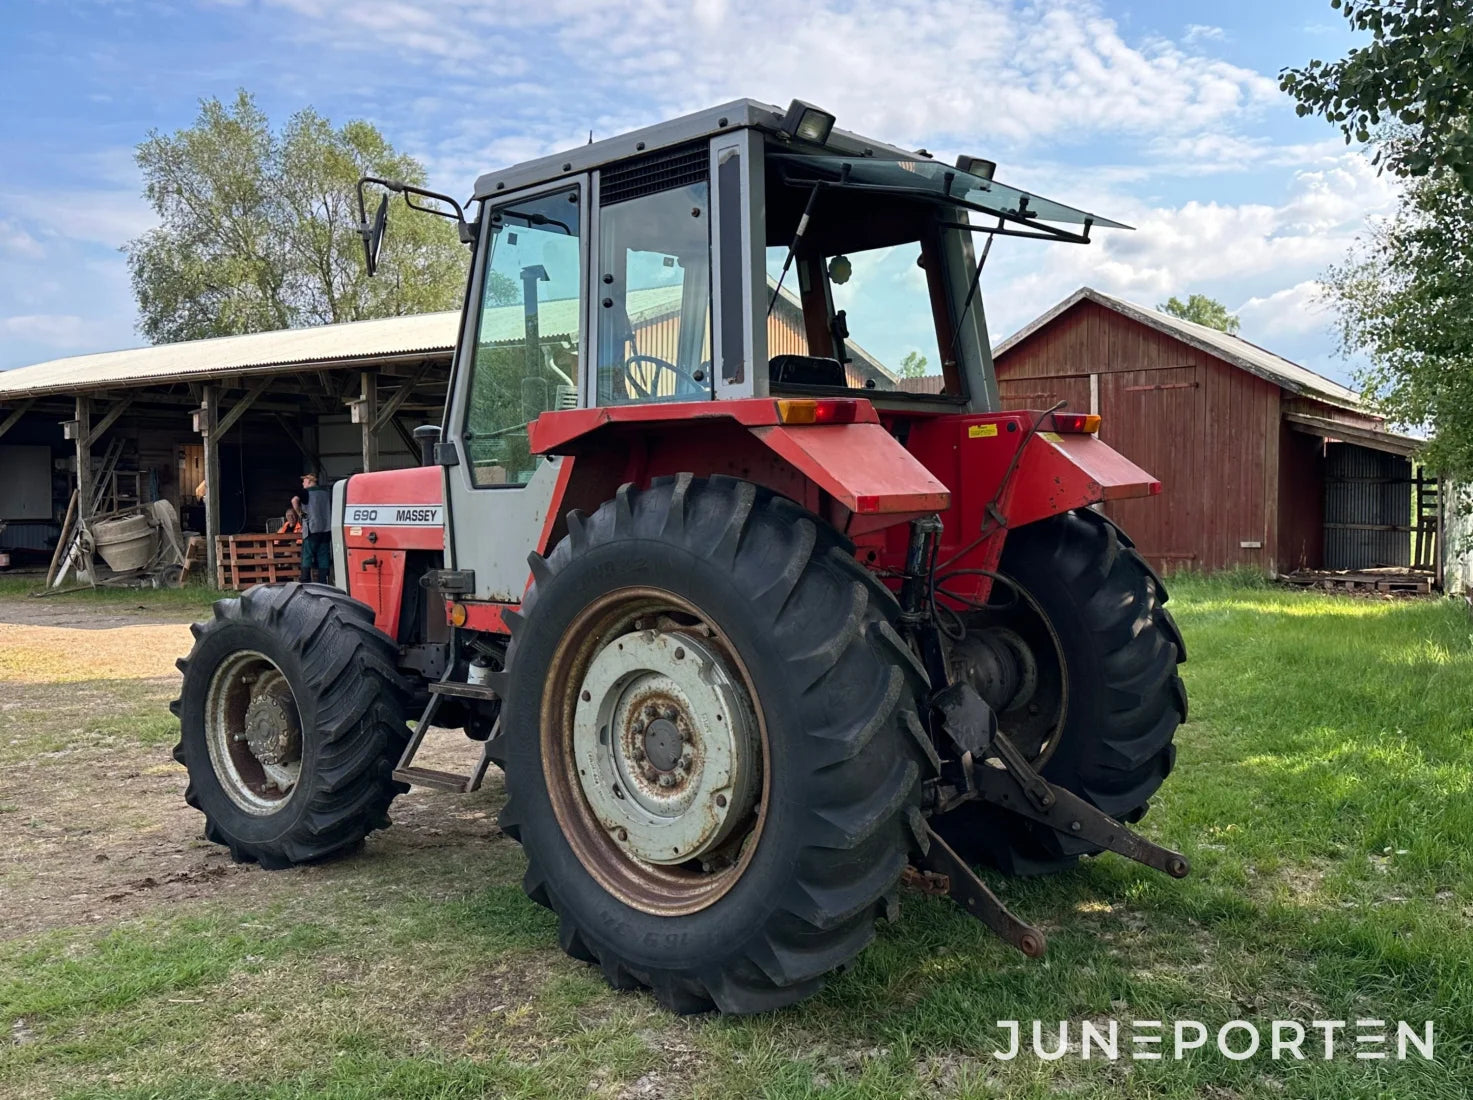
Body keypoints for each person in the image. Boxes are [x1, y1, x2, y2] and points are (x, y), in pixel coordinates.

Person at [293, 474, 333, 583]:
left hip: (312, 528)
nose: (303, 484)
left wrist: (301, 514)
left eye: (304, 481)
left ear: (310, 482)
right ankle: (323, 581)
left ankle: (305, 580)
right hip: (326, 528)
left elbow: (294, 501)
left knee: (307, 555)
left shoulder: (306, 492)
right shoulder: (326, 492)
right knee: (323, 555)